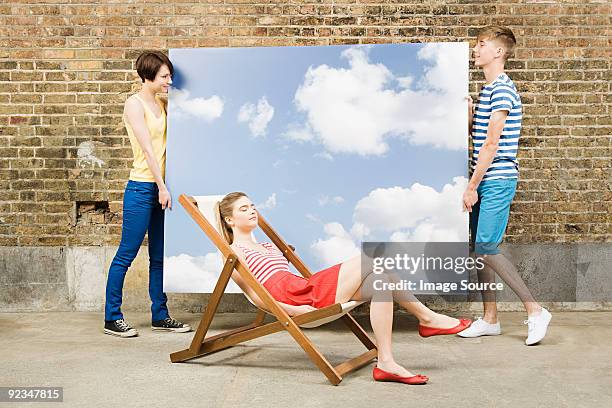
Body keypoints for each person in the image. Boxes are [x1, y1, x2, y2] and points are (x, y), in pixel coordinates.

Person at [216, 192, 473, 385]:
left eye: (253, 206)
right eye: (244, 208)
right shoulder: (234, 252)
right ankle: (428, 318)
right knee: (376, 258)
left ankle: (386, 362)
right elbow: (254, 294)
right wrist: (290, 311)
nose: (252, 211)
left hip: (303, 285)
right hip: (295, 296)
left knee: (382, 283)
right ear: (230, 219)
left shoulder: (269, 246)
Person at [459, 26, 551, 345]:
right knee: (480, 250)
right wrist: (471, 116)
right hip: (484, 177)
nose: (476, 50)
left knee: (486, 246)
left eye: (481, 45)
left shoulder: (502, 89)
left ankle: (535, 310)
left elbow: (492, 145)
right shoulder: (488, 91)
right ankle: (490, 319)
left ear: (498, 52)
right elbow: (480, 133)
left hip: (496, 178)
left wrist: (471, 186)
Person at [103, 51, 191, 337]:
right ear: (147, 76)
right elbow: (147, 150)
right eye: (164, 76)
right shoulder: (134, 104)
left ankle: (160, 315)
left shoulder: (161, 103)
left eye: (170, 75)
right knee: (126, 255)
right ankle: (112, 318)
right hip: (142, 187)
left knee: (159, 256)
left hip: (161, 187)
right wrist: (161, 187)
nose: (169, 81)